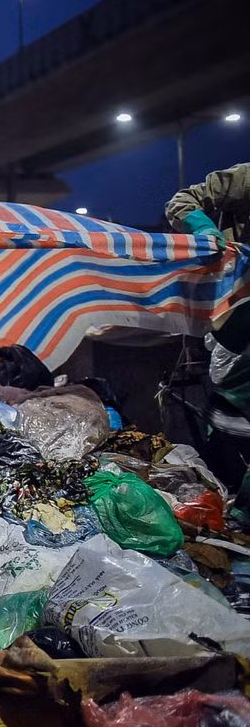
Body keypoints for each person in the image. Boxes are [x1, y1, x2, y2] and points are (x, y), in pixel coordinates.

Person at [166, 163, 250, 524]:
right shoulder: (244, 179)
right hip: (235, 311)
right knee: (231, 415)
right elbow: (182, 203)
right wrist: (203, 229)